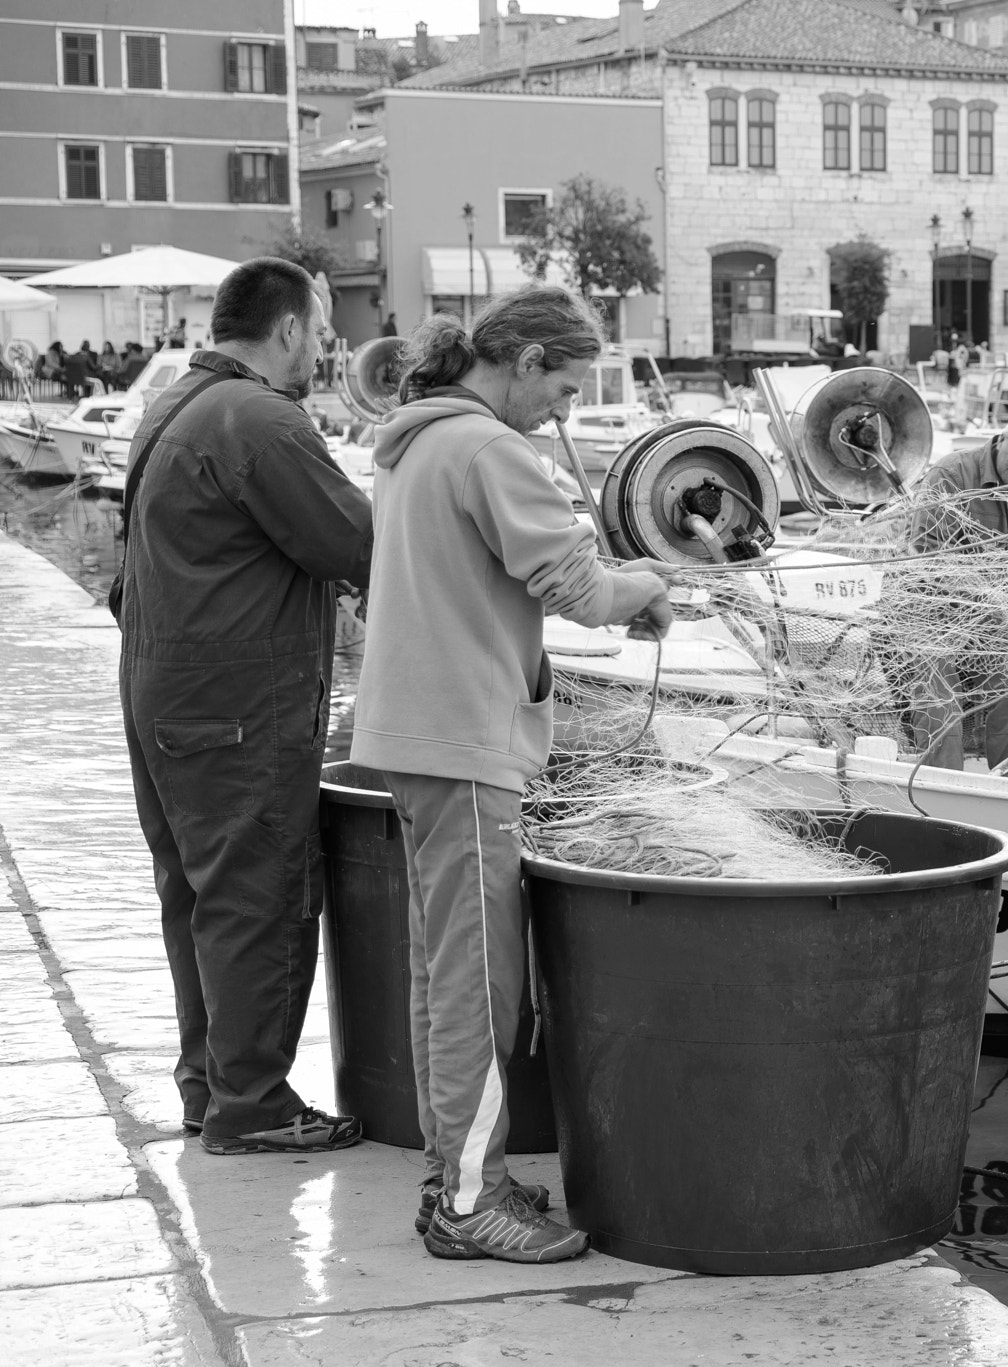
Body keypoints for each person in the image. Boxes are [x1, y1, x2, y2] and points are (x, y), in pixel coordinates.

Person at [351, 286, 676, 1264]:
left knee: (440, 972)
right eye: (565, 389)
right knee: (481, 986)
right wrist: (649, 590)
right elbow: (574, 583)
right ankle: (468, 1201)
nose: (564, 413)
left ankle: (454, 1175)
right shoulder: (490, 448)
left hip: (416, 739)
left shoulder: (419, 444)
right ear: (525, 359)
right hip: (464, 743)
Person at [116, 257, 373, 1154]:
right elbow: (354, 540)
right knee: (257, 895)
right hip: (234, 700)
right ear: (290, 328)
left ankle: (212, 1084)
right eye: (325, 327)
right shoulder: (261, 418)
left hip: (162, 686)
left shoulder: (177, 403)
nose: (329, 347)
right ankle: (254, 1101)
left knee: (195, 894)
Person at [904, 409, 1008, 780]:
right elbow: (925, 551)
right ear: (1001, 439)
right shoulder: (951, 474)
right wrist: (987, 588)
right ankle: (944, 787)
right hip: (927, 604)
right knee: (937, 693)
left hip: (987, 612)